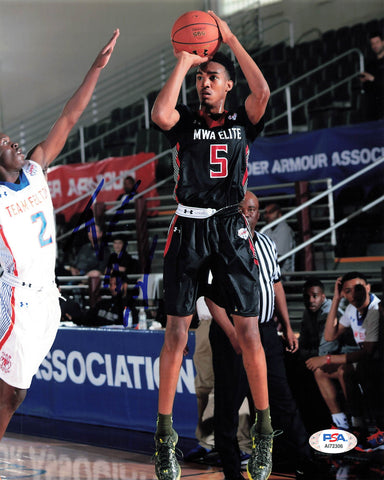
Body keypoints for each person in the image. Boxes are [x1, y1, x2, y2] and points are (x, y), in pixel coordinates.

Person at [151, 10, 272, 480]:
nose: (205, 82)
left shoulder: (245, 119)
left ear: (227, 87)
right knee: (177, 334)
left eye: (212, 76)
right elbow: (161, 112)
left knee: (248, 333)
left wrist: (231, 40)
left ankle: (263, 436)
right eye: (201, 77)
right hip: (188, 227)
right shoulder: (184, 121)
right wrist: (184, 60)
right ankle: (165, 439)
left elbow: (262, 91)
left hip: (229, 229)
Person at [0, 29, 119, 440]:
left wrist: (95, 69)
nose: (13, 143)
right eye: (4, 143)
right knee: (10, 395)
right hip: (16, 295)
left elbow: (69, 117)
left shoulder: (34, 169)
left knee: (17, 392)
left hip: (48, 298)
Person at [206, 191, 319, 480]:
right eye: (243, 210)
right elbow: (211, 298)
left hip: (267, 332)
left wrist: (287, 324)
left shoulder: (267, 243)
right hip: (233, 333)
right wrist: (232, 335)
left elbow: (276, 285)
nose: (248, 214)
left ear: (259, 213)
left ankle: (305, 460)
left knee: (282, 398)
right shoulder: (219, 244)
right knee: (230, 405)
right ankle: (232, 471)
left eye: (253, 209)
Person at [306, 271, 383, 450]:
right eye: (347, 291)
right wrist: (335, 300)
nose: (353, 294)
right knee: (320, 372)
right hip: (366, 362)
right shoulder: (351, 308)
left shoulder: (374, 309)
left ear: (368, 288)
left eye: (358, 288)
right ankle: (341, 425)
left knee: (344, 370)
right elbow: (329, 335)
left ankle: (358, 427)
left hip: (376, 363)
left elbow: (368, 352)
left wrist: (327, 358)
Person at [299, 278, 341, 362]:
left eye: (315, 296)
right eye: (306, 297)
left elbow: (325, 351)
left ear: (323, 297)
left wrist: (303, 353)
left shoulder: (328, 313)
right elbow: (303, 341)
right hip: (317, 352)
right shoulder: (308, 311)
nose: (310, 300)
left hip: (337, 355)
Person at [263, 203, 295, 275]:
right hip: (269, 272)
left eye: (271, 212)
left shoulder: (285, 230)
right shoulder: (267, 229)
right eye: (266, 213)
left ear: (279, 214)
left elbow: (278, 258)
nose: (267, 216)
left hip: (282, 276)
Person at [359, 32, 384, 121]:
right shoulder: (370, 64)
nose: (375, 45)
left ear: (383, 42)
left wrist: (373, 79)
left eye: (377, 42)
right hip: (374, 106)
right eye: (372, 43)